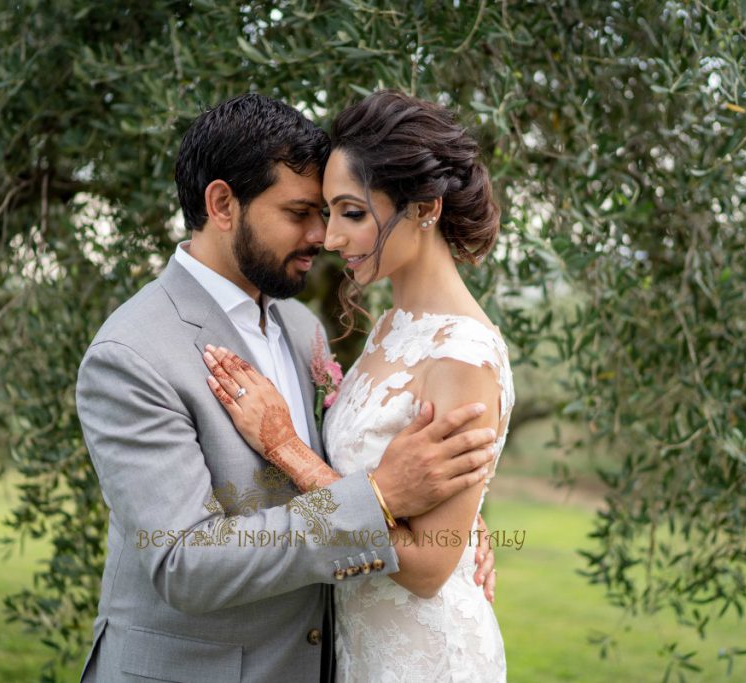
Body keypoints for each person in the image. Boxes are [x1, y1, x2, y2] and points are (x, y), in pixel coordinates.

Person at [75, 93, 500, 683]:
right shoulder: (133, 354)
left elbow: (361, 462)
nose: (322, 235)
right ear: (223, 204)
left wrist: (452, 513)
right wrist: (379, 499)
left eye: (330, 212)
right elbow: (184, 563)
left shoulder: (301, 330)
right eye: (301, 212)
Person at [202, 90, 513, 682]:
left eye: (351, 212)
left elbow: (426, 569)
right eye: (324, 213)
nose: (331, 238)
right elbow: (398, 485)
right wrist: (462, 515)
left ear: (424, 207)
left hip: (423, 656)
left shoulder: (464, 353)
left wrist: (289, 450)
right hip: (358, 644)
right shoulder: (392, 327)